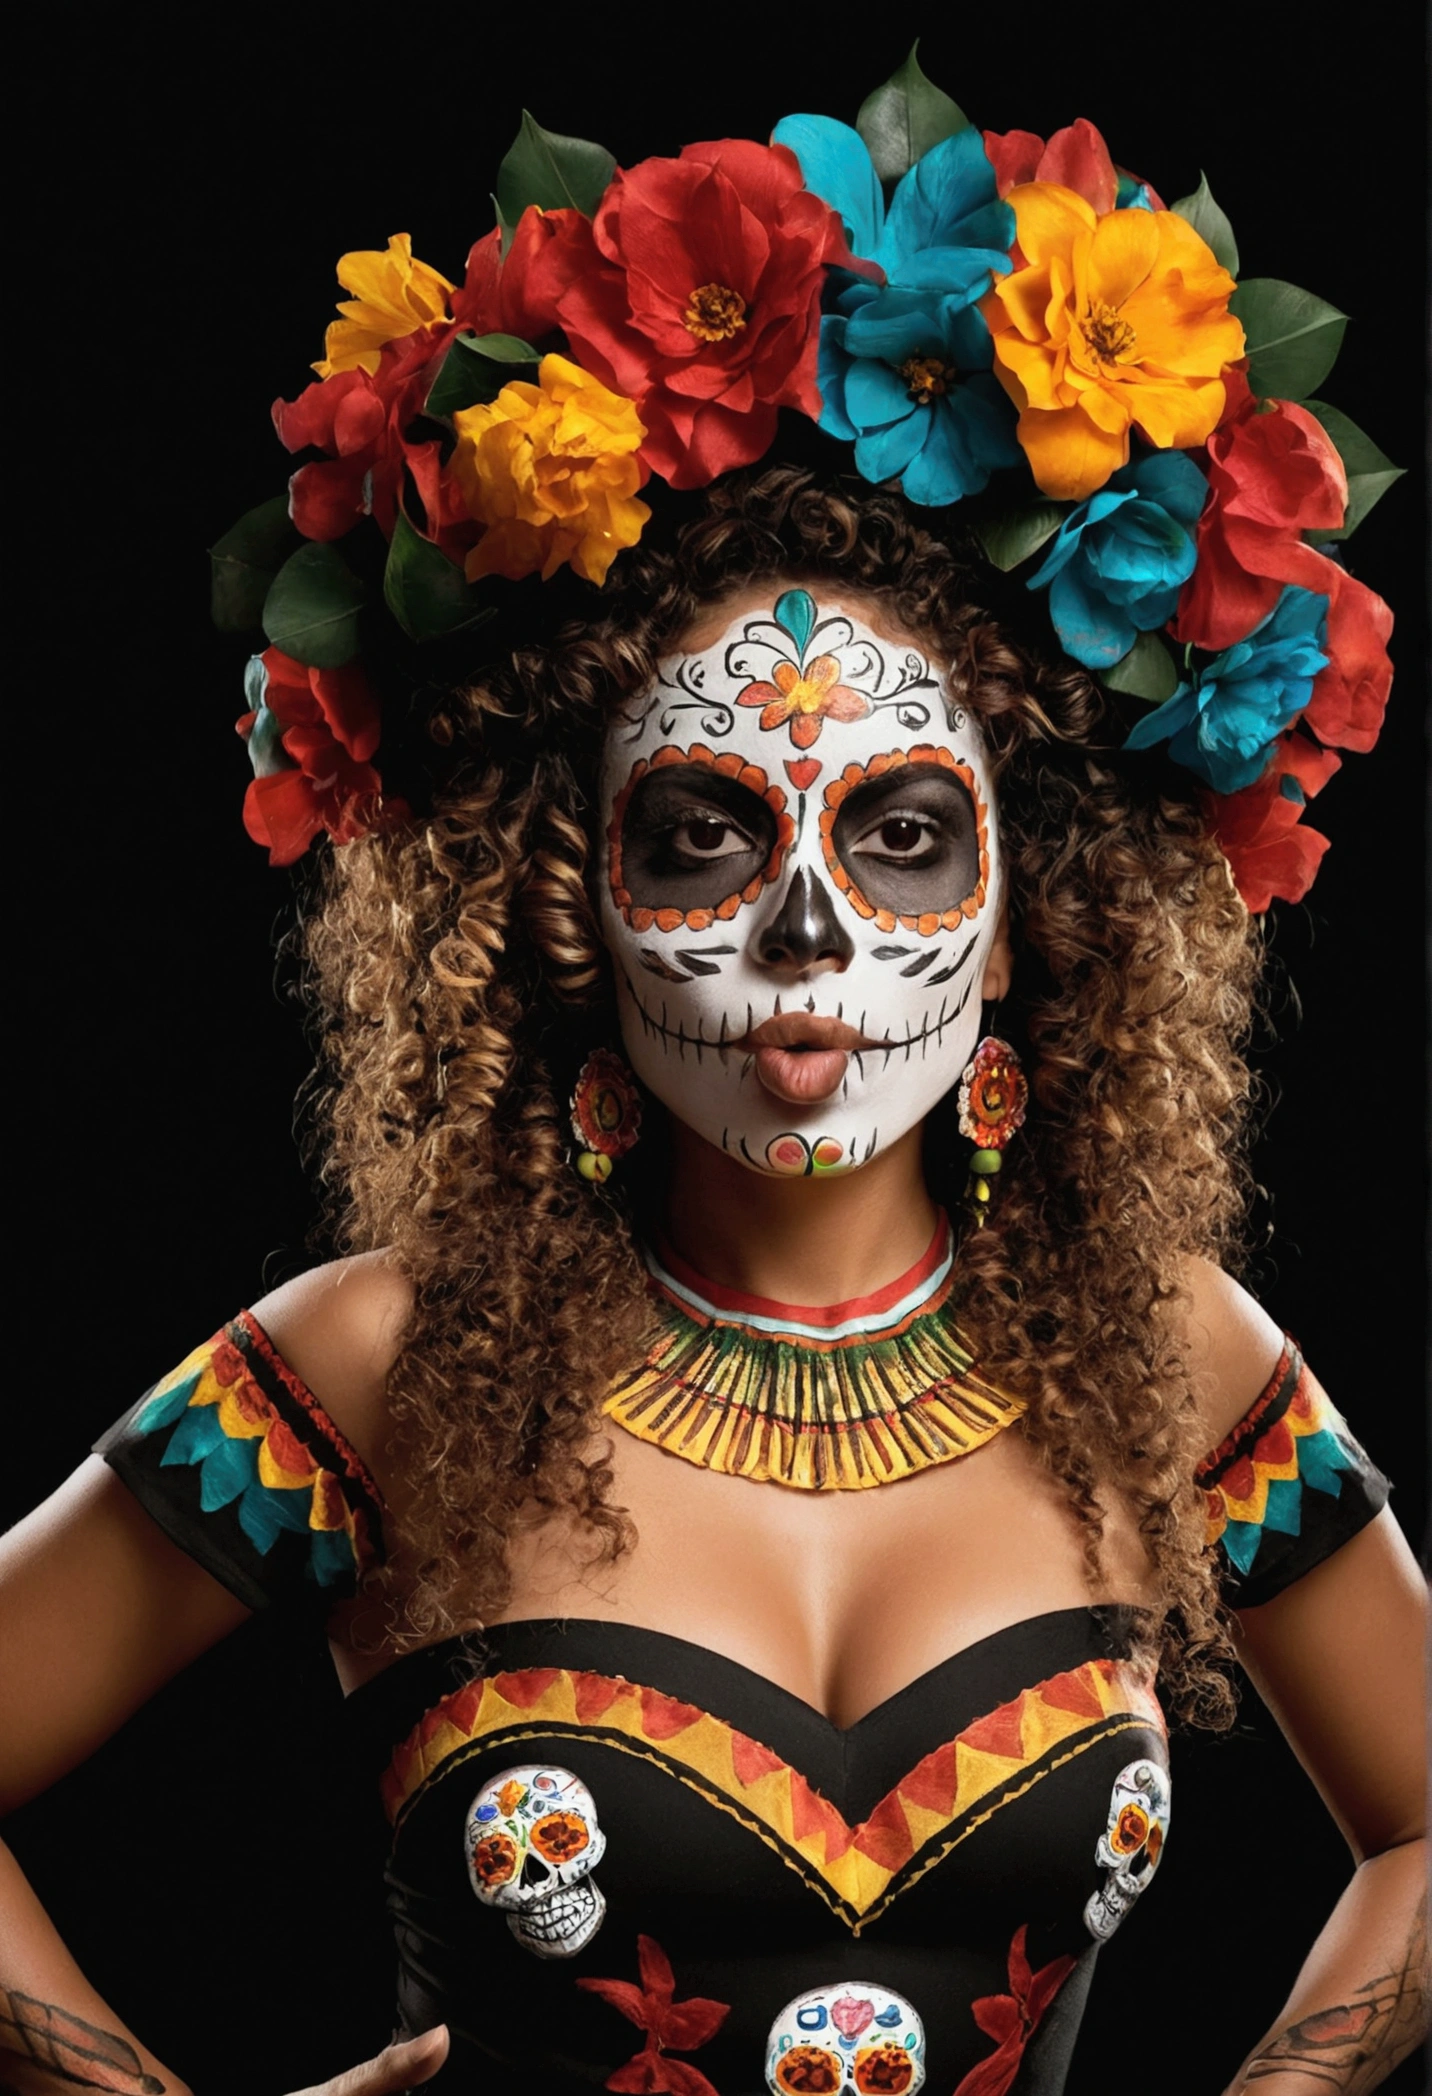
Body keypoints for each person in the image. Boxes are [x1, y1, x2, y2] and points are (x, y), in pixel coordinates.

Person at [1, 59, 1425, 2096]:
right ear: (561, 899)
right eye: (697, 835)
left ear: (1031, 912)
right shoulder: (380, 1364)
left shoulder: (1160, 1355)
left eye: (902, 835)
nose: (805, 934)